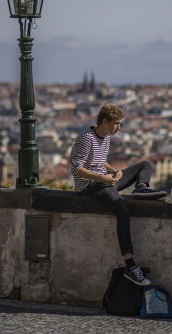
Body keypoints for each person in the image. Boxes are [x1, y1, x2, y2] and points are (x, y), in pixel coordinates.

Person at [69, 103, 166, 286]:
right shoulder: (86, 139)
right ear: (104, 121)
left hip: (104, 180)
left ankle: (142, 188)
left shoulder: (105, 138)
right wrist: (102, 178)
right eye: (116, 123)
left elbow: (100, 161)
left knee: (145, 165)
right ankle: (130, 265)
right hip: (90, 186)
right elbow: (76, 169)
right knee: (122, 210)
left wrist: (115, 171)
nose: (119, 128)